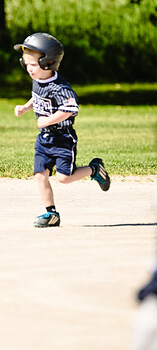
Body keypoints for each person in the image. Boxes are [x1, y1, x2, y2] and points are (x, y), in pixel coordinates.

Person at [13, 32, 110, 227]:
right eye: (26, 64)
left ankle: (94, 169)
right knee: (40, 175)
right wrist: (26, 107)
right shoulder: (38, 79)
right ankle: (51, 214)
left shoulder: (61, 88)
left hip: (62, 139)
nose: (28, 69)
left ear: (48, 63)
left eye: (32, 65)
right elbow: (37, 96)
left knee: (64, 178)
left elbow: (71, 108)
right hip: (44, 139)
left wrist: (47, 120)